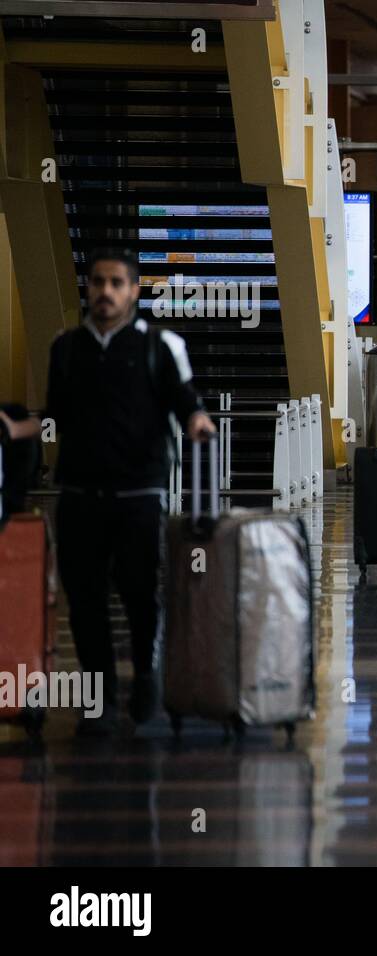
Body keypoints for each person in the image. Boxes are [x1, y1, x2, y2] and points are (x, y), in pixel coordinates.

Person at [46, 248, 216, 734]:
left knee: (140, 592)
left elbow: (183, 396)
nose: (105, 291)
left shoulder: (159, 346)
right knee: (84, 598)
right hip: (79, 492)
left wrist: (196, 419)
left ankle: (146, 678)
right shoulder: (66, 347)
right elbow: (56, 411)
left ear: (134, 291)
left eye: (116, 283)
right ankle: (97, 696)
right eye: (98, 282)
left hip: (139, 492)